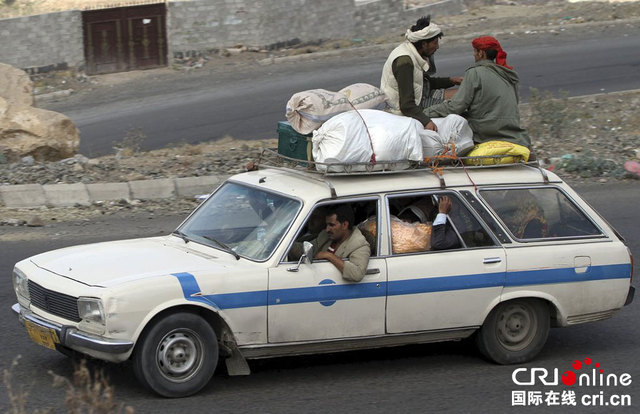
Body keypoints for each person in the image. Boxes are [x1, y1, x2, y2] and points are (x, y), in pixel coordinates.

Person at [424, 36, 531, 149]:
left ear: (481, 53)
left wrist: (426, 113)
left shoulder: (474, 73)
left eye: (475, 51)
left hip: (486, 133)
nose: (474, 54)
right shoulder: (508, 75)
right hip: (513, 133)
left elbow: (455, 106)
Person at [380, 15, 462, 131]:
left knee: (461, 94)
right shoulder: (405, 62)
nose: (437, 47)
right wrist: (426, 121)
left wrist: (451, 81)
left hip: (421, 96)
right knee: (459, 102)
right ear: (424, 44)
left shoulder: (414, 53)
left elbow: (423, 83)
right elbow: (406, 105)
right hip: (408, 109)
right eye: (435, 43)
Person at [292, 204, 371, 282]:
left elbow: (357, 273)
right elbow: (307, 250)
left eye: (331, 225)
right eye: (327, 225)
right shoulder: (325, 236)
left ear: (344, 225)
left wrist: (329, 256)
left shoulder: (359, 244)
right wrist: (287, 246)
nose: (327, 229)